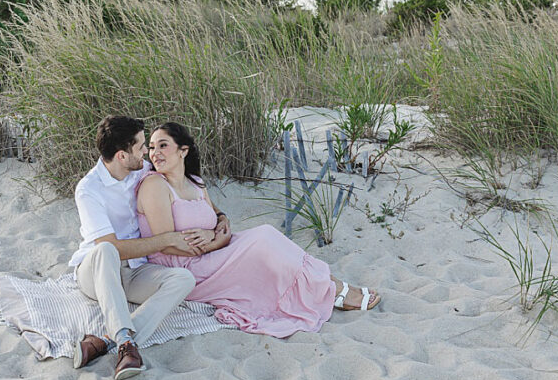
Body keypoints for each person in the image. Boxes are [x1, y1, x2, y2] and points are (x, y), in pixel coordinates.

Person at [135, 122, 381, 338]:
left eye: (163, 146)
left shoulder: (195, 182)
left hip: (210, 252)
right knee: (264, 239)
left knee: (268, 238)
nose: (155, 153)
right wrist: (219, 240)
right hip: (185, 266)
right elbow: (167, 244)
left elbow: (218, 217)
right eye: (153, 147)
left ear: (183, 151)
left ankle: (330, 285)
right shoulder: (155, 184)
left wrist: (220, 225)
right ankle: (333, 289)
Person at [69, 115, 203, 380]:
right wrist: (167, 239)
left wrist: (219, 217)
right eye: (142, 146)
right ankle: (125, 344)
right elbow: (113, 247)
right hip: (96, 271)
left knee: (184, 279)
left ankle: (108, 341)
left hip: (135, 269)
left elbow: (189, 186)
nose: (148, 152)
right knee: (106, 249)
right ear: (121, 155)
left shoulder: (141, 170)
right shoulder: (89, 190)